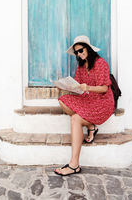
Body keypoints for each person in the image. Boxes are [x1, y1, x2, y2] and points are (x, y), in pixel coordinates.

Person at [54, 36, 115, 176]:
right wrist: (66, 86)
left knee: (75, 118)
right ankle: (90, 126)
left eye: (81, 50)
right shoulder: (81, 66)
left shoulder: (101, 64)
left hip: (103, 101)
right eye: (76, 53)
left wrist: (87, 87)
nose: (79, 54)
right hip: (87, 99)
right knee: (63, 99)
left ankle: (74, 165)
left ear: (88, 49)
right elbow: (78, 86)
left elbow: (104, 88)